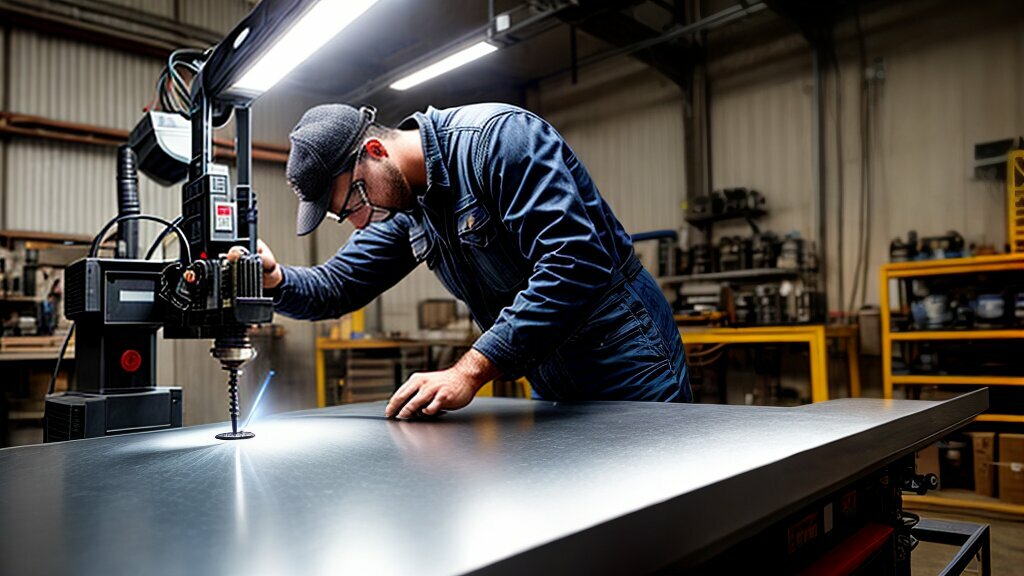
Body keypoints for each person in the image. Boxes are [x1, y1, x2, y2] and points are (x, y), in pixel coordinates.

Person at [240, 102, 690, 419]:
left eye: (355, 201)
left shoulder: (499, 141)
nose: (359, 223)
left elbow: (574, 262)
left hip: (626, 359)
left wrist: (469, 370)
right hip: (551, 376)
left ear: (375, 152)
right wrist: (276, 280)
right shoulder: (408, 209)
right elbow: (339, 286)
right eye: (346, 216)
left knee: (664, 512)